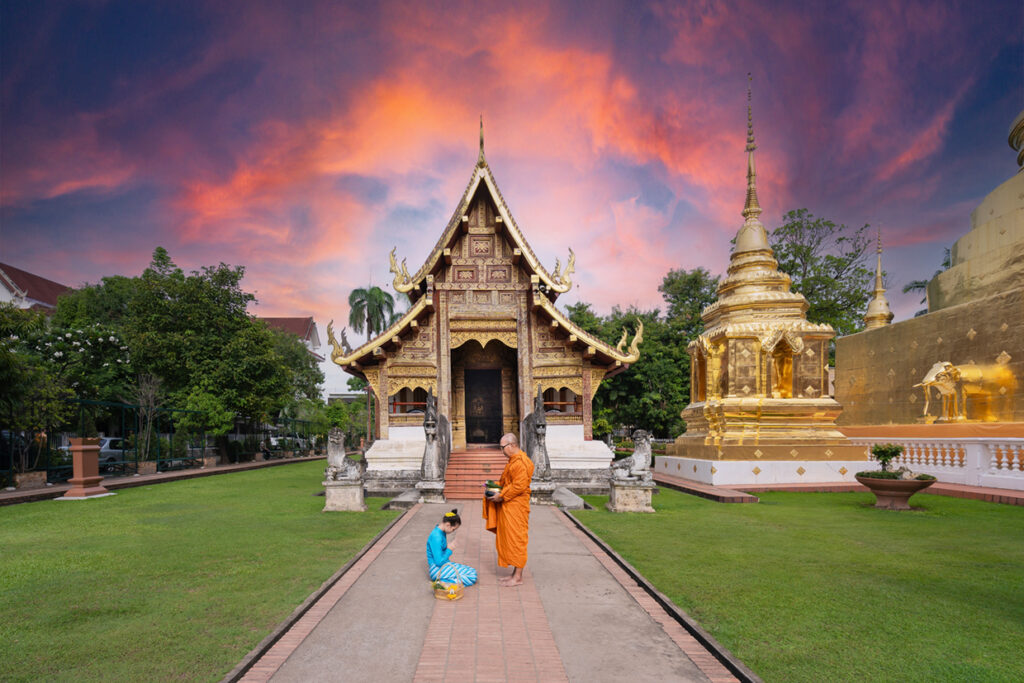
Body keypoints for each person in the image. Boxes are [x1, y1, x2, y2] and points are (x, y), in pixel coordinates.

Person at [482, 432, 534, 587]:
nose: (501, 450)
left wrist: (501, 496)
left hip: (516, 506)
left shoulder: (521, 463)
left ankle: (518, 577)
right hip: (509, 505)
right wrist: (492, 486)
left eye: (502, 447)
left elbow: (519, 486)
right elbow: (506, 482)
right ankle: (514, 574)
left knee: (517, 539)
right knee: (509, 538)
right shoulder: (513, 461)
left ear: (512, 445)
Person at [426, 509, 477, 587]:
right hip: (437, 569)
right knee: (472, 575)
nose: (453, 531)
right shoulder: (436, 537)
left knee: (472, 571)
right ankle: (445, 583)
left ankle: (447, 580)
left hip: (444, 565)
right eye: (453, 529)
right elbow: (438, 562)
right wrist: (449, 549)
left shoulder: (440, 532)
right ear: (447, 524)